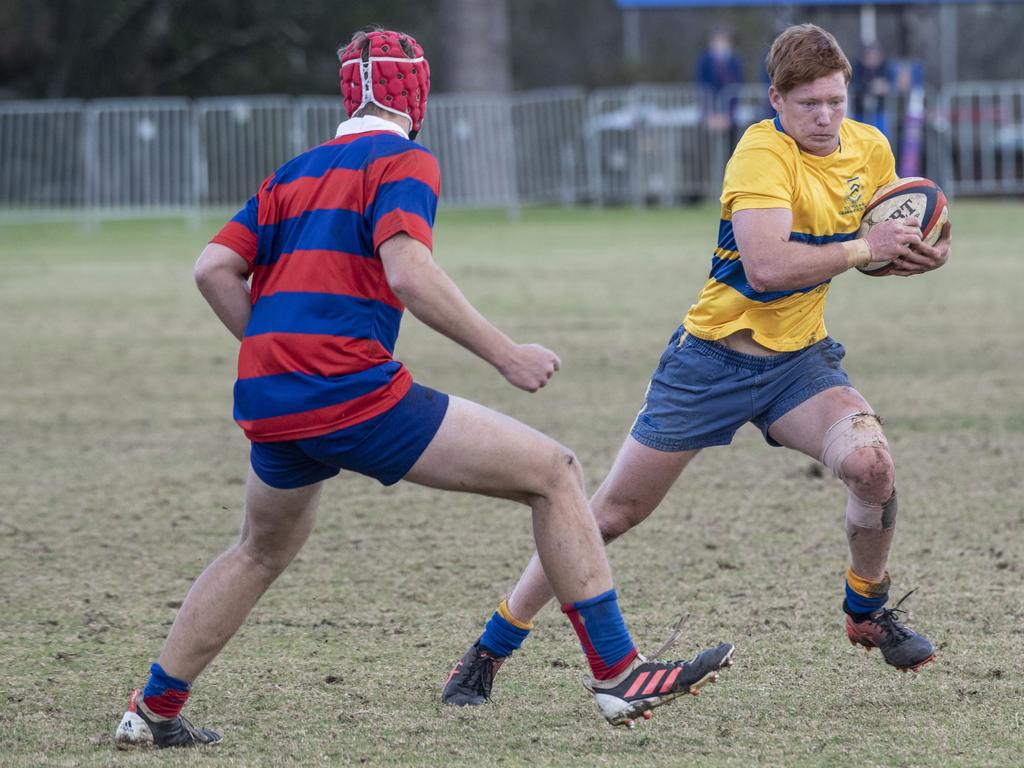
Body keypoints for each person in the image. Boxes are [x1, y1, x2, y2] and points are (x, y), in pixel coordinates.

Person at [111, 27, 735, 749]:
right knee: (555, 473)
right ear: (416, 94)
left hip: (271, 394)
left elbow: (211, 269)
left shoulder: (294, 170)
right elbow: (407, 270)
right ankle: (618, 673)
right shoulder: (405, 159)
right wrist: (506, 354)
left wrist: (272, 350)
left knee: (257, 549)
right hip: (348, 391)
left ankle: (152, 708)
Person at [442, 23, 951, 708]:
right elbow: (769, 267)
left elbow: (880, 247)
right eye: (809, 105)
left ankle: (866, 607)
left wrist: (917, 254)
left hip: (799, 364)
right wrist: (867, 248)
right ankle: (490, 648)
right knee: (610, 515)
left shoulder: (870, 149)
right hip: (710, 362)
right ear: (777, 100)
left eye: (836, 101)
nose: (827, 118)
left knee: (872, 465)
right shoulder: (760, 154)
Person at [696, 27, 745, 145]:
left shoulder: (735, 61)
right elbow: (701, 86)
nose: (721, 44)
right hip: (709, 112)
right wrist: (708, 114)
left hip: (729, 113)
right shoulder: (704, 60)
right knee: (704, 146)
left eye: (724, 40)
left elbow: (737, 87)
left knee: (731, 145)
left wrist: (729, 115)